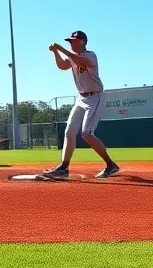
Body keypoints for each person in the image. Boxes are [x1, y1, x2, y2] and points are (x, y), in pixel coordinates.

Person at [42, 31, 120, 179]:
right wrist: (55, 53)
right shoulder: (72, 57)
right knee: (69, 132)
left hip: (95, 97)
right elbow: (63, 65)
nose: (71, 43)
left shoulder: (90, 55)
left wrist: (60, 48)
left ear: (83, 41)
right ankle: (63, 168)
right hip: (81, 98)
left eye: (74, 41)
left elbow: (79, 61)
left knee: (87, 133)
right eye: (70, 41)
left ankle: (111, 165)